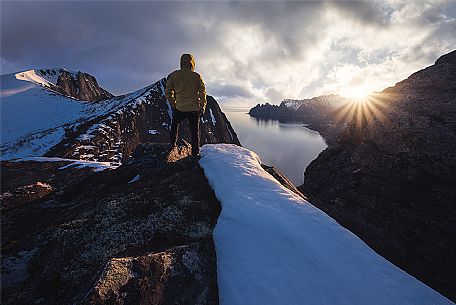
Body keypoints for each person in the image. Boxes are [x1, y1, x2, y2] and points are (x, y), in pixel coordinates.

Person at [165, 53, 206, 157]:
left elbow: (168, 91)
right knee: (194, 132)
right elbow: (202, 92)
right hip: (194, 109)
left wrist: (173, 104)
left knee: (174, 125)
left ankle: (172, 144)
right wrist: (202, 107)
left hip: (180, 108)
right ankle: (195, 153)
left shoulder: (174, 76)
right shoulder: (197, 76)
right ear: (192, 63)